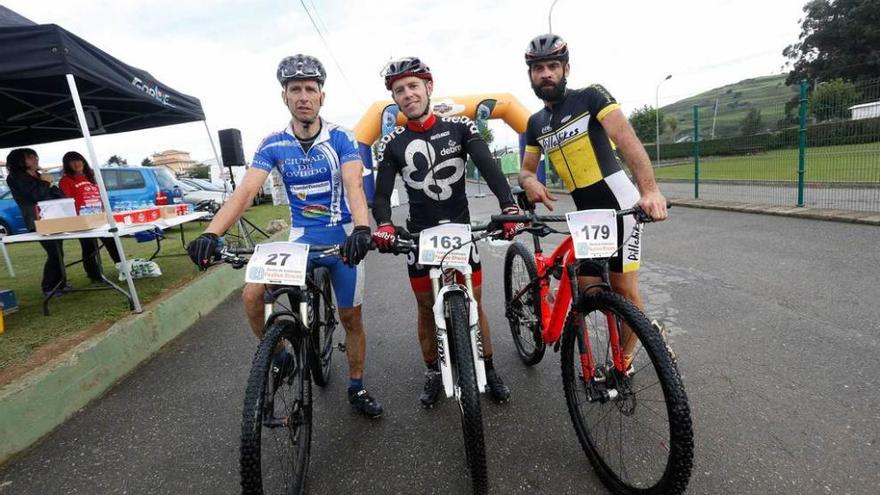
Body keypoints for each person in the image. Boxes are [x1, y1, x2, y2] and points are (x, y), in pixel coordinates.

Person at [186, 54, 382, 418]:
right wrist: (211, 233)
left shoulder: (341, 138)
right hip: (301, 241)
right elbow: (245, 193)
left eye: (311, 89)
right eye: (296, 90)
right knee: (252, 295)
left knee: (352, 318)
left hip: (340, 238)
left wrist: (361, 228)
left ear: (322, 96)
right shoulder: (274, 144)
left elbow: (354, 184)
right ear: (285, 97)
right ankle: (280, 356)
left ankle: (356, 386)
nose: (304, 96)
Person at [366, 57, 522, 408]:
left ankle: (490, 368)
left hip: (461, 232)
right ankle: (433, 372)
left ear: (429, 87)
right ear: (394, 98)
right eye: (399, 91)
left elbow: (490, 168)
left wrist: (508, 205)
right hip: (419, 238)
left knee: (475, 305)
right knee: (424, 309)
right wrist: (386, 225)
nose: (407, 95)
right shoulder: (391, 141)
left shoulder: (460, 127)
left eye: (413, 87)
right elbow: (380, 195)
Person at [517, 34, 669, 368]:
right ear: (530, 75)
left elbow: (626, 139)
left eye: (552, 66)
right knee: (588, 292)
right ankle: (619, 342)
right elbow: (526, 170)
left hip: (620, 206)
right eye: (538, 68)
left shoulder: (590, 97)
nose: (546, 74)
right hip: (587, 216)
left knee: (623, 290)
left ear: (565, 69)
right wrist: (530, 183)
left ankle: (624, 361)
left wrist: (650, 191)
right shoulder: (535, 123)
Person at [5, 148, 68, 297]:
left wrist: (51, 185)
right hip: (36, 219)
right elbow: (36, 195)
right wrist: (45, 184)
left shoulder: (38, 176)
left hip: (51, 216)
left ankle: (60, 283)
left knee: (58, 252)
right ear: (20, 161)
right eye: (30, 157)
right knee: (54, 252)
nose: (35, 159)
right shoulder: (16, 177)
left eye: (35, 156)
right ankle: (48, 286)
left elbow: (52, 194)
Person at [58, 151, 122, 282]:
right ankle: (94, 275)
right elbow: (67, 201)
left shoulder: (91, 177)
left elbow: (101, 195)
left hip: (99, 216)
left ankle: (122, 267)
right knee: (89, 246)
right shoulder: (66, 181)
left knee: (111, 241)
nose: (77, 164)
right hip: (82, 219)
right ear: (67, 165)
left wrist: (105, 211)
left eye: (79, 160)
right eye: (72, 161)